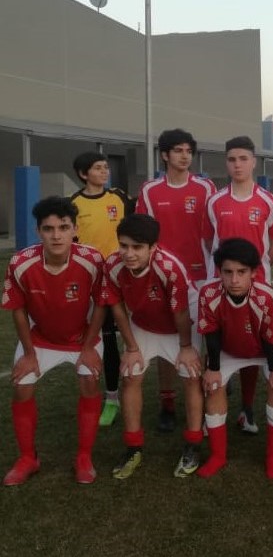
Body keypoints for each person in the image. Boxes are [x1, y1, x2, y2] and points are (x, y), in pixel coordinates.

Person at [1, 196, 106, 485]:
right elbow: (18, 310)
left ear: (74, 229)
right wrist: (29, 354)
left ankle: (83, 456)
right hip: (40, 338)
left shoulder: (92, 259)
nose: (56, 235)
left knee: (89, 381)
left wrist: (88, 348)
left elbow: (101, 303)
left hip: (82, 336)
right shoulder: (21, 262)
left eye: (63, 227)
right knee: (22, 386)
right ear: (38, 232)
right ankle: (27, 458)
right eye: (48, 229)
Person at [101, 214, 204, 479]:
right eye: (124, 245)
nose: (129, 253)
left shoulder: (169, 267)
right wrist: (131, 346)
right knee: (130, 376)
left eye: (137, 247)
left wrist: (186, 347)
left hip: (181, 324)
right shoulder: (112, 265)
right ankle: (133, 447)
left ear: (153, 247)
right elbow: (117, 308)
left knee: (191, 377)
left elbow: (181, 312)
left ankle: (193, 443)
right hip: (144, 323)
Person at [136, 128, 216, 432]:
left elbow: (213, 234)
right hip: (162, 279)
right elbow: (145, 233)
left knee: (201, 342)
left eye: (188, 151)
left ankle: (207, 400)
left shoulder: (206, 188)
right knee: (165, 342)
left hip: (198, 278)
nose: (184, 156)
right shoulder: (149, 191)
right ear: (165, 155)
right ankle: (167, 402)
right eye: (178, 151)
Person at [203, 136, 273, 434]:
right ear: (227, 163)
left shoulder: (268, 201)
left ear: (254, 162)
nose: (237, 165)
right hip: (222, 287)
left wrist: (259, 268)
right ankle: (211, 403)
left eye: (243, 159)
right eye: (232, 159)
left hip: (258, 287)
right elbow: (207, 239)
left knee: (253, 347)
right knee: (215, 344)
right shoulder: (214, 201)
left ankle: (247, 409)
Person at [196, 238, 273, 478]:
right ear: (219, 272)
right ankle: (218, 456)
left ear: (254, 272)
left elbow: (270, 338)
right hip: (229, 349)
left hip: (268, 349)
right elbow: (212, 335)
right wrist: (212, 368)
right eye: (228, 272)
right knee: (213, 387)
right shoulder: (208, 293)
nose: (234, 280)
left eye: (241, 272)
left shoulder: (266, 297)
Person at [70, 152, 132, 427]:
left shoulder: (118, 197)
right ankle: (112, 398)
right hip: (93, 280)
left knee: (135, 337)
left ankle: (135, 390)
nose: (105, 171)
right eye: (98, 168)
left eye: (106, 167)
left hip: (124, 276)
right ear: (84, 174)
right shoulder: (73, 203)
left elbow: (134, 230)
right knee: (106, 340)